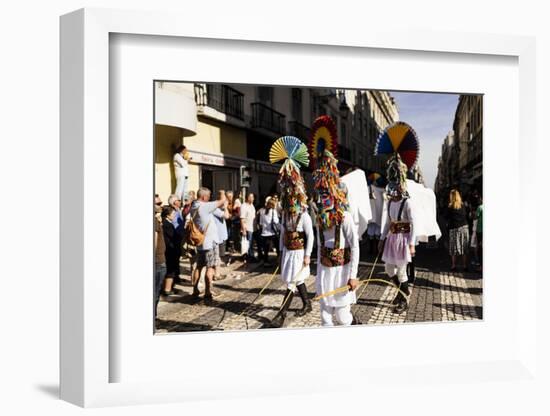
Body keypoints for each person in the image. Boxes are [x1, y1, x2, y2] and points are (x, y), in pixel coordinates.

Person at [268, 136, 315, 327]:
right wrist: (280, 251)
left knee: (292, 283)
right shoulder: (286, 215)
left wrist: (307, 255)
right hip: (288, 251)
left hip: (298, 252)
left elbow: (310, 235)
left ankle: (281, 315)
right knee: (295, 280)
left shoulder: (303, 215)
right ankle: (307, 303)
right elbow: (281, 234)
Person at [313, 149, 360, 327]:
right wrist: (318, 278)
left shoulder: (345, 218)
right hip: (326, 273)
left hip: (342, 273)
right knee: (325, 317)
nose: (323, 199)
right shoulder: (320, 219)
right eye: (321, 195)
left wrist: (353, 276)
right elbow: (320, 249)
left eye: (327, 195)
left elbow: (355, 246)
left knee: (342, 317)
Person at [378, 154, 416, 314]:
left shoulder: (408, 203)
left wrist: (412, 243)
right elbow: (388, 223)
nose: (393, 191)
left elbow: (414, 224)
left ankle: (403, 299)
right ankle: (402, 292)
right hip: (392, 240)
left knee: (401, 272)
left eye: (396, 186)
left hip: (403, 240)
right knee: (388, 269)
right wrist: (381, 239)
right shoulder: (391, 203)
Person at [189, 187, 227, 301]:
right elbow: (222, 201)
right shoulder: (204, 206)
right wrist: (222, 192)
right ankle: (207, 292)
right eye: (209, 196)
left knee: (199, 267)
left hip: (200, 242)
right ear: (204, 197)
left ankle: (195, 290)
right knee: (210, 267)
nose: (210, 198)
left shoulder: (194, 206)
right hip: (210, 242)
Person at [445, 189, 469, 271]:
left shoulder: (450, 206)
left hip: (454, 228)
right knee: (464, 247)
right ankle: (465, 266)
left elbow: (446, 217)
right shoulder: (463, 205)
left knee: (454, 247)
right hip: (464, 228)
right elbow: (466, 215)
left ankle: (454, 265)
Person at [161, 206, 181, 296]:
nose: (174, 216)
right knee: (170, 270)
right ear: (167, 215)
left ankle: (168, 288)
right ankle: (167, 289)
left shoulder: (167, 223)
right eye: (173, 214)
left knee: (170, 270)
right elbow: (173, 237)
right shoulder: (167, 225)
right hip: (170, 251)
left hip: (170, 250)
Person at [258, 196, 280, 267]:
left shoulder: (262, 211)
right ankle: (279, 260)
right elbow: (276, 222)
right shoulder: (273, 211)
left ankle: (266, 261)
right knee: (277, 246)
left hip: (264, 233)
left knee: (266, 249)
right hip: (272, 232)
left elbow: (261, 223)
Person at [213, 190, 230, 278]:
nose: (225, 201)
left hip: (221, 235)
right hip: (217, 236)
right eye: (224, 199)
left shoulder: (219, 208)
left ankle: (216, 272)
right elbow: (227, 216)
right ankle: (216, 274)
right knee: (217, 256)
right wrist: (226, 207)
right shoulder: (215, 209)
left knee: (219, 256)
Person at [154, 202, 166, 321]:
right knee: (155, 291)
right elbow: (154, 242)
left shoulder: (157, 223)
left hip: (159, 260)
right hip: (157, 262)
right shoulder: (154, 223)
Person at [240, 192, 257, 263]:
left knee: (251, 243)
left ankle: (251, 256)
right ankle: (249, 257)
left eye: (253, 197)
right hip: (247, 228)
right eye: (251, 197)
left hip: (253, 228)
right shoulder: (244, 206)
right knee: (248, 244)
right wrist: (243, 229)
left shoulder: (252, 205)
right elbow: (242, 218)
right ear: (247, 198)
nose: (252, 199)